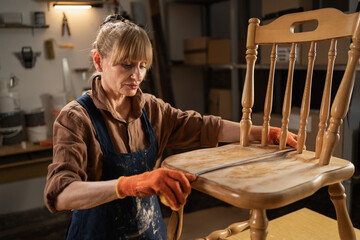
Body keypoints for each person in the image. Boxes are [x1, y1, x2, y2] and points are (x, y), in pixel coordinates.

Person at [44, 14, 298, 240]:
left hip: (150, 231)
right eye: (127, 65)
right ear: (99, 61)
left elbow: (204, 126)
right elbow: (61, 193)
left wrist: (264, 132)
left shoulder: (151, 109)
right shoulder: (76, 118)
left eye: (143, 66)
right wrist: (129, 185)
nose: (137, 76)